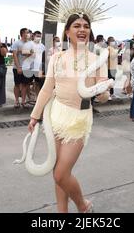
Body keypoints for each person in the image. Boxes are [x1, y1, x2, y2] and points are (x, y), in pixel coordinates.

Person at [28, 13, 110, 213]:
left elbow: (103, 92)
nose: (82, 29)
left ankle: (83, 205)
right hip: (56, 116)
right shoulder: (57, 57)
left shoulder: (97, 60)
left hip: (79, 119)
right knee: (59, 171)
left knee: (60, 173)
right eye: (76, 26)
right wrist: (34, 115)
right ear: (67, 32)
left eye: (85, 26)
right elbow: (47, 88)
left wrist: (102, 94)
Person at [12, 28, 33, 108]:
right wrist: (18, 67)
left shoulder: (31, 43)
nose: (28, 34)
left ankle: (23, 101)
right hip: (17, 67)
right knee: (17, 84)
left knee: (25, 84)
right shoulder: (16, 43)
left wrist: (22, 51)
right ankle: (16, 101)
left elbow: (32, 53)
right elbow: (15, 55)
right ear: (22, 34)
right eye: (27, 33)